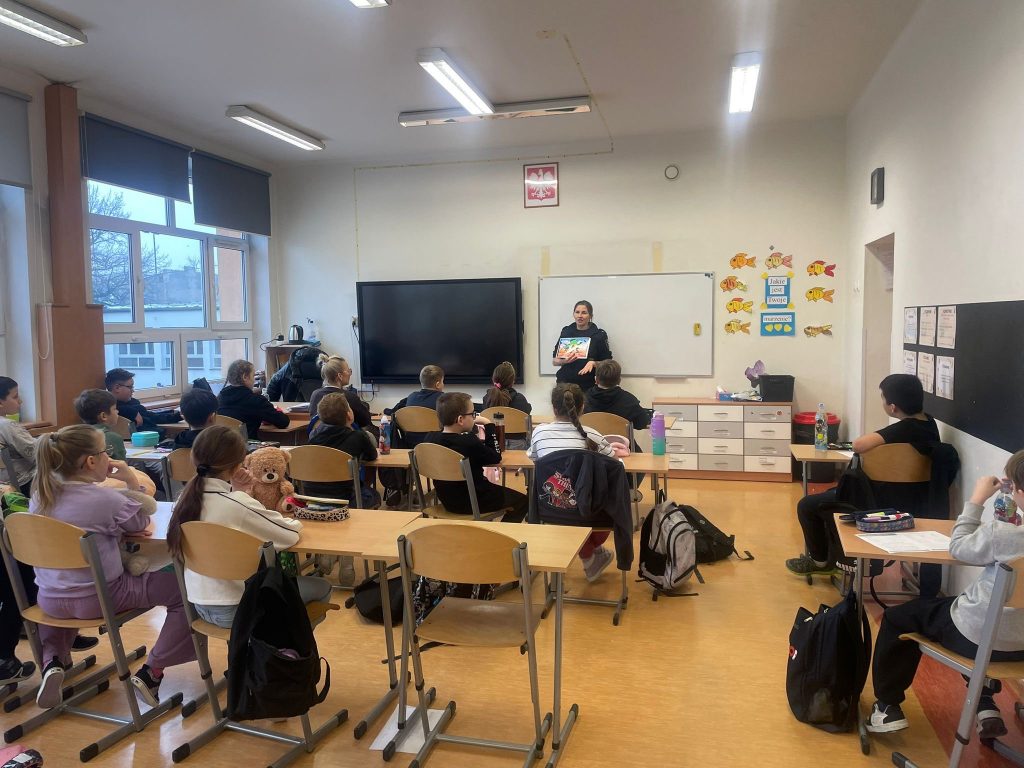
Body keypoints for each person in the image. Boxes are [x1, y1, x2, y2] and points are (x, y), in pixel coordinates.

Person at [30, 424, 195, 709]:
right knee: (185, 592)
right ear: (91, 461)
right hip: (100, 598)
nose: (109, 456)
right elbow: (141, 521)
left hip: (48, 600)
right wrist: (131, 481)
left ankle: (52, 660)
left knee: (66, 580)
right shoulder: (104, 499)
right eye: (105, 451)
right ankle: (152, 671)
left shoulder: (39, 497)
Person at [866, 450, 1024, 737]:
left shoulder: (1002, 535)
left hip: (979, 640)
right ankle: (985, 705)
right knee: (970, 612)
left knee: (901, 618)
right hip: (1021, 646)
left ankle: (887, 707)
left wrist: (976, 500)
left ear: (1020, 492)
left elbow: (959, 547)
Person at [166, 425, 331, 629]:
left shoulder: (183, 502)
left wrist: (239, 491)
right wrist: (291, 518)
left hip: (200, 605)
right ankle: (281, 645)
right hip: (240, 609)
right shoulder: (237, 504)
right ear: (238, 465)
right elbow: (289, 535)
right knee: (320, 587)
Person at [786, 374, 940, 577]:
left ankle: (820, 561)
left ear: (893, 407)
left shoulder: (903, 429)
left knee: (808, 505)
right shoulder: (930, 425)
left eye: (883, 398)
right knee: (831, 494)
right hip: (917, 503)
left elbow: (859, 445)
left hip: (877, 505)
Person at [529, 383, 618, 581]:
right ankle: (590, 555)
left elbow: (534, 458)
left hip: (552, 508)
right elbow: (616, 466)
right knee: (600, 496)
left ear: (554, 408)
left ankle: (590, 555)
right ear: (582, 407)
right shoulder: (592, 435)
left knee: (570, 501)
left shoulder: (539, 433)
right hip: (591, 510)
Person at [421, 392, 528, 523]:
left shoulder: (430, 438)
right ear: (460, 419)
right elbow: (496, 457)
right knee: (523, 501)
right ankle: (501, 531)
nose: (474, 417)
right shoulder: (469, 441)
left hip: (447, 500)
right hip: (475, 500)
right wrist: (489, 424)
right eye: (472, 414)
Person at [304, 393, 378, 503]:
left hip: (312, 497)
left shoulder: (313, 436)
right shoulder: (358, 436)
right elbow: (372, 456)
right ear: (349, 415)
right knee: (374, 496)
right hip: (345, 498)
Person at [216, 360, 290, 439]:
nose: (254, 380)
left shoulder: (219, 398)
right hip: (246, 445)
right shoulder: (256, 401)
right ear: (245, 377)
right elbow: (283, 422)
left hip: (222, 444)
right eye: (253, 376)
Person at [551, 300, 612, 392]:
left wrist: (594, 363)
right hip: (564, 384)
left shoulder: (598, 335)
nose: (580, 316)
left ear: (590, 316)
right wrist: (564, 361)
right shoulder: (566, 332)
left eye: (584, 313)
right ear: (573, 314)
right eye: (577, 312)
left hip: (588, 386)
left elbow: (608, 363)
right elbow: (554, 361)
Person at [105, 368, 180, 437]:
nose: (133, 390)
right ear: (117, 388)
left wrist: (176, 416)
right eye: (130, 387)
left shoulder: (133, 404)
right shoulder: (111, 408)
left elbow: (152, 416)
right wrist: (131, 411)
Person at [309, 355, 374, 433]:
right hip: (347, 439)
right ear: (340, 376)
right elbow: (366, 422)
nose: (350, 374)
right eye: (348, 371)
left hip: (319, 439)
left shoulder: (315, 395)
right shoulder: (350, 397)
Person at [584, 359, 651, 433]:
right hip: (620, 440)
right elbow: (641, 424)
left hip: (591, 440)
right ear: (619, 380)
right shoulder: (629, 401)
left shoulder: (583, 400)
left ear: (596, 379)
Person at [0, 377, 39, 496]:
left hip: (3, 487)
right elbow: (36, 454)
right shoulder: (7, 425)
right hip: (23, 484)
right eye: (15, 396)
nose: (20, 401)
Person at [481, 361, 532, 450]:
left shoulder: (487, 399)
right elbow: (527, 415)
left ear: (494, 379)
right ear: (512, 381)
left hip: (494, 444)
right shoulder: (520, 399)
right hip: (517, 445)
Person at [74, 388, 126, 461]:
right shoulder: (113, 438)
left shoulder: (77, 436)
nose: (117, 411)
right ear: (103, 416)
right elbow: (121, 466)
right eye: (114, 409)